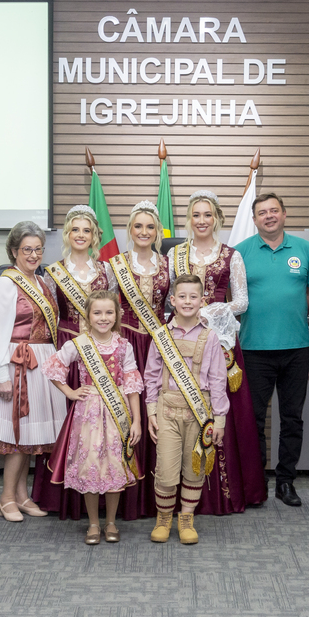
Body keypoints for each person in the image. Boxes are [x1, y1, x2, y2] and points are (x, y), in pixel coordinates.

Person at [166, 190, 266, 512]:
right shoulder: (175, 255)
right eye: (196, 215)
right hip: (182, 341)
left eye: (208, 215)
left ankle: (223, 493)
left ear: (218, 218)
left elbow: (243, 301)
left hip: (220, 343)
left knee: (223, 411)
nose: (202, 221)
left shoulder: (231, 255)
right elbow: (170, 298)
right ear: (189, 219)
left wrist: (210, 312)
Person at [234, 192, 309, 507]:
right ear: (254, 219)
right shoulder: (239, 253)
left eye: (274, 211)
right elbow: (233, 298)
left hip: (297, 348)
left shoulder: (305, 250)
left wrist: (286, 314)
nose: (268, 216)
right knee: (255, 418)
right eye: (262, 213)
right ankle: (256, 483)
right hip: (254, 350)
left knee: (292, 418)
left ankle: (286, 482)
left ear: (284, 214)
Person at [32, 204, 116, 515]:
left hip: (98, 351)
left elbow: (110, 314)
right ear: (68, 234)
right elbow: (50, 315)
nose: (81, 235)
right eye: (75, 230)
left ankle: (102, 488)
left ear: (95, 235)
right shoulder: (53, 272)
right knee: (67, 418)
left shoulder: (107, 271)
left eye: (87, 230)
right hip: (69, 345)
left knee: (100, 422)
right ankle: (62, 497)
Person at [0, 221, 68, 522]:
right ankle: (6, 496)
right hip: (17, 364)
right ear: (13, 251)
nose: (33, 255)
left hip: (41, 362)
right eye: (27, 250)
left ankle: (21, 495)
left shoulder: (41, 282)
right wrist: (2, 375)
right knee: (17, 437)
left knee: (31, 437)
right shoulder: (5, 284)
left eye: (38, 250)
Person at [45, 291, 144, 544]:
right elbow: (54, 367)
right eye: (97, 313)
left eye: (109, 312)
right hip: (88, 414)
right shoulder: (77, 344)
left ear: (117, 315)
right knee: (90, 465)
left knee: (115, 465)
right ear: (87, 316)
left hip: (116, 414)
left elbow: (132, 384)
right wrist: (69, 391)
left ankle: (110, 522)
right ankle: (92, 523)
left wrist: (137, 421)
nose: (103, 318)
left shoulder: (124, 346)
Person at [144, 274, 230, 544]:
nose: (188, 301)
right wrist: (150, 412)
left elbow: (218, 379)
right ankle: (164, 518)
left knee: (194, 470)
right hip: (167, 410)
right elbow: (151, 376)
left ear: (202, 300)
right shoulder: (160, 336)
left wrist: (220, 419)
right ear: (172, 301)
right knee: (167, 470)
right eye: (182, 296)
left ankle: (186, 518)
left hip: (199, 413)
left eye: (194, 296)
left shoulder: (211, 337)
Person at [107, 201, 173, 520]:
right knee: (125, 414)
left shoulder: (168, 264)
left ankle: (155, 494)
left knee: (159, 412)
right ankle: (122, 492)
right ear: (130, 230)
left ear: (157, 231)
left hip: (159, 347)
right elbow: (105, 306)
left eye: (150, 226)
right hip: (127, 344)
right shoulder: (114, 264)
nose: (144, 231)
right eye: (138, 226)